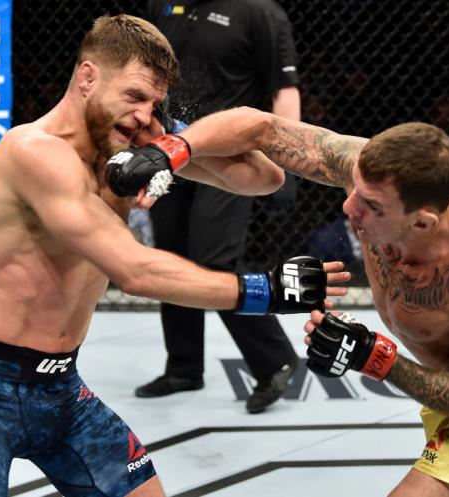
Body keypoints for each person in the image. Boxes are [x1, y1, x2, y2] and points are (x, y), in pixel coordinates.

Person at [0, 16, 348, 497]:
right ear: (88, 77)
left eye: (155, 103)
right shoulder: (33, 151)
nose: (142, 114)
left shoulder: (131, 146)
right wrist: (265, 292)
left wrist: (174, 141)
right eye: (134, 97)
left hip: (62, 387)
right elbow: (133, 269)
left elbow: (263, 178)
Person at [109, 107, 449, 496]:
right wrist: (170, 149)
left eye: (372, 207)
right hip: (448, 399)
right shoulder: (372, 178)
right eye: (355, 191)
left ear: (423, 223)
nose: (350, 210)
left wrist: (373, 356)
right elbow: (260, 128)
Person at [135, 0, 303, 414]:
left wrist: (289, 161)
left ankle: (274, 359)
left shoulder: (258, 11)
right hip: (172, 147)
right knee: (171, 255)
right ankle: (183, 366)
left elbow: (284, 89)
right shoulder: (164, 4)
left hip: (232, 158)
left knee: (215, 258)